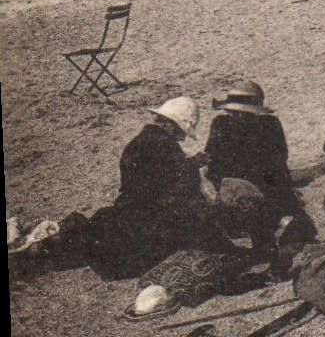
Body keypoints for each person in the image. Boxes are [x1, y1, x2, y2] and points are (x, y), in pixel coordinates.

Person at [14, 97, 234, 281]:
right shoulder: (164, 146)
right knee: (110, 249)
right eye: (182, 131)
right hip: (148, 217)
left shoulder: (144, 140)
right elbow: (170, 185)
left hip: (129, 209)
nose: (182, 137)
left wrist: (191, 164)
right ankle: (33, 255)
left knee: (94, 234)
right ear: (173, 125)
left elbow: (157, 175)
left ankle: (37, 250)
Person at [203, 81, 308, 252]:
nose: (238, 115)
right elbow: (212, 158)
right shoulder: (220, 124)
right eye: (234, 111)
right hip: (230, 183)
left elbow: (278, 161)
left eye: (243, 112)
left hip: (263, 182)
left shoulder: (269, 125)